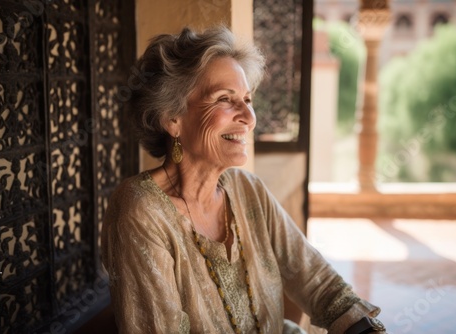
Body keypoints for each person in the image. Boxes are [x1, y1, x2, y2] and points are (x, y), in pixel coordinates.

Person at [101, 26, 386, 334]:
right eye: (225, 98)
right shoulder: (140, 211)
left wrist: (361, 327)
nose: (249, 118)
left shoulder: (246, 189)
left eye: (247, 99)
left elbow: (317, 281)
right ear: (172, 117)